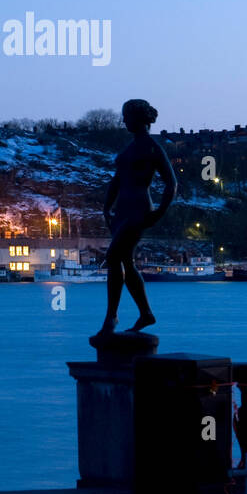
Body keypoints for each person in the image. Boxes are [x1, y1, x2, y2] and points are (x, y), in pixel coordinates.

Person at [96, 99, 176, 336]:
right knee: (125, 261)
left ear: (138, 119)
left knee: (112, 257)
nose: (123, 121)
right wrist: (107, 207)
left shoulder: (152, 147)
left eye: (126, 116)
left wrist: (160, 211)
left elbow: (171, 183)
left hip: (139, 209)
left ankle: (111, 317)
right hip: (121, 210)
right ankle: (145, 313)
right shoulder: (128, 149)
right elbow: (117, 180)